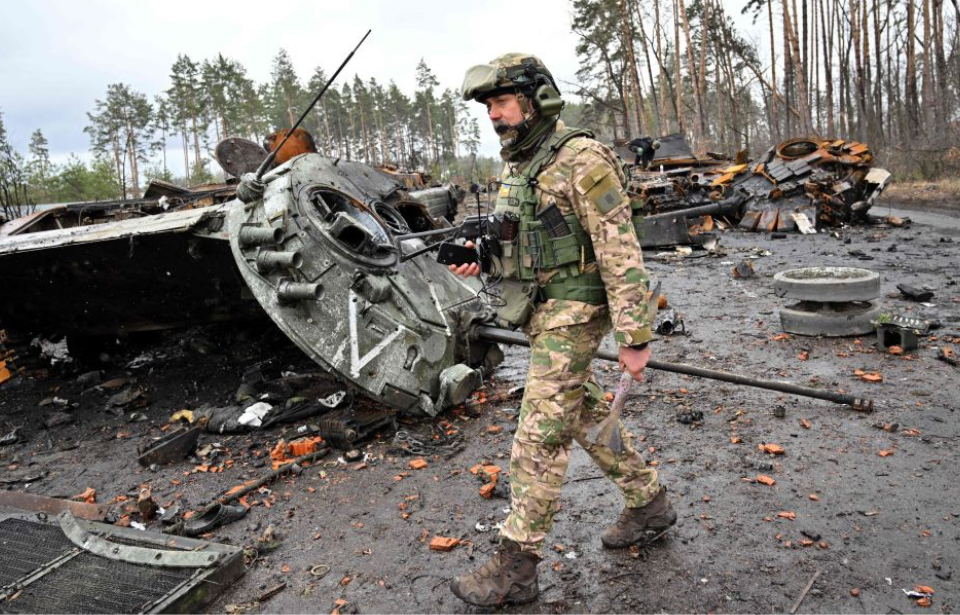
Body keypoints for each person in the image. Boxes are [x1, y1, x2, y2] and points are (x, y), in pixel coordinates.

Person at [448, 53, 676, 607]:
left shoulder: (582, 158)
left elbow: (620, 249)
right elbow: (526, 240)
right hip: (541, 308)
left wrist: (635, 337)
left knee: (539, 434)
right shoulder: (520, 163)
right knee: (581, 410)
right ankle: (649, 504)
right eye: (488, 107)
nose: (494, 115)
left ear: (535, 99)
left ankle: (514, 568)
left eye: (501, 102)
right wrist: (482, 255)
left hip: (575, 309)